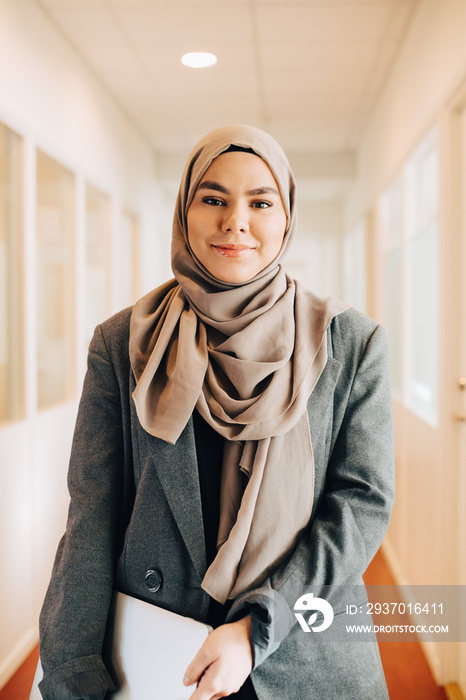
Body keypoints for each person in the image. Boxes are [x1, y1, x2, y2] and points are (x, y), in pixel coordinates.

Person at [38, 124, 395, 700]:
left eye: (260, 201)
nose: (236, 221)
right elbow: (92, 513)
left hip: (302, 650)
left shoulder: (348, 343)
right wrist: (72, 667)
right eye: (213, 199)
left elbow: (361, 505)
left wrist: (258, 627)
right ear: (185, 211)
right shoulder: (123, 342)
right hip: (160, 654)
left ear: (286, 217)